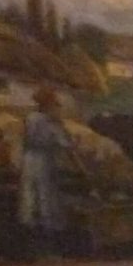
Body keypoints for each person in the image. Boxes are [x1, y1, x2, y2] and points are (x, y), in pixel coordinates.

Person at [18, 87, 76, 251]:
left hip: (30, 161)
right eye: (54, 105)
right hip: (42, 161)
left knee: (31, 196)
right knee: (45, 197)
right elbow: (62, 142)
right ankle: (47, 242)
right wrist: (69, 142)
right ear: (47, 105)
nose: (56, 108)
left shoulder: (31, 118)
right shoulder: (47, 121)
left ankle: (32, 233)